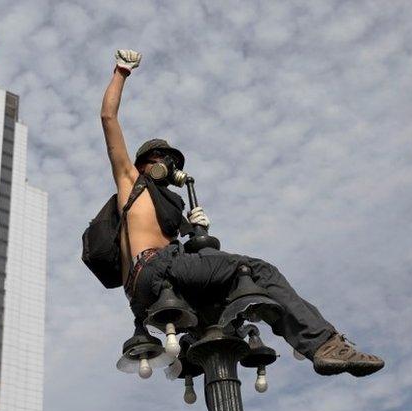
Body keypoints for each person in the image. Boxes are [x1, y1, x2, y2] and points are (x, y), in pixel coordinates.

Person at [100, 49, 384, 377]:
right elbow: (109, 119)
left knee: (218, 327)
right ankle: (323, 344)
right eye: (161, 157)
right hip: (155, 270)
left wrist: (194, 232)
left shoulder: (168, 207)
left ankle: (226, 358)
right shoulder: (130, 182)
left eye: (173, 160)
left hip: (153, 291)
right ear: (142, 163)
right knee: (256, 271)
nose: (169, 164)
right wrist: (121, 72)